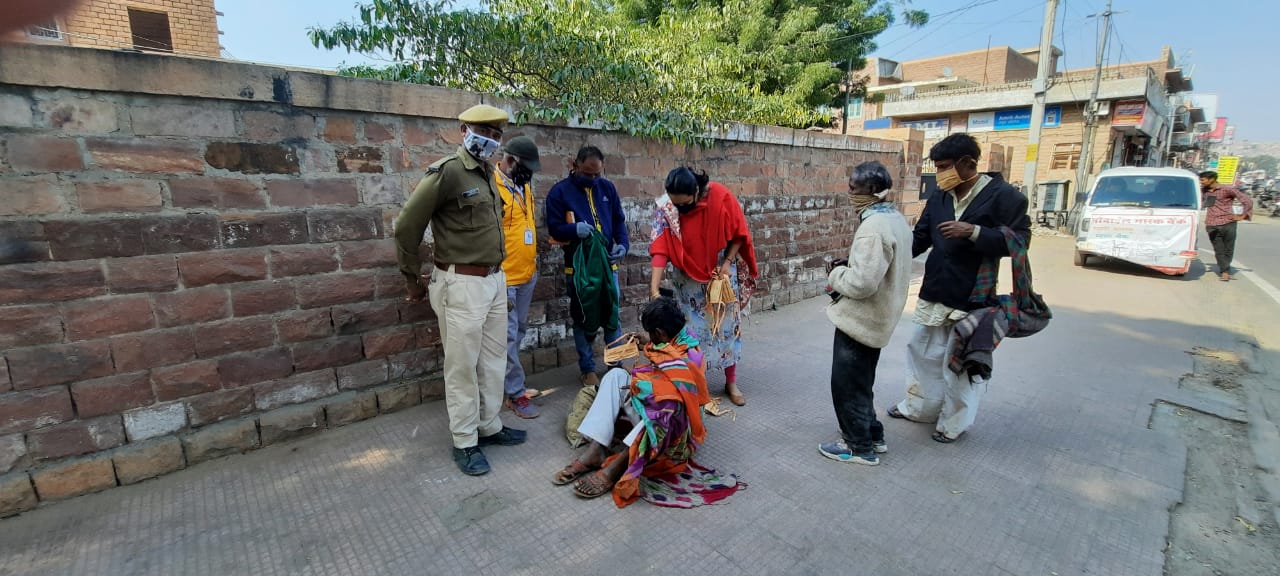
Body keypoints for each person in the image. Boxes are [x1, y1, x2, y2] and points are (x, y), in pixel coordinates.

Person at [394, 104, 527, 476]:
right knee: (462, 367)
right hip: (461, 284)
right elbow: (406, 225)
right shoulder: (448, 173)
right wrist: (411, 278)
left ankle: (489, 425)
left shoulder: (488, 174)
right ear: (464, 130)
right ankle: (465, 440)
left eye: (498, 134)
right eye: (484, 131)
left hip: (493, 281)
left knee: (493, 360)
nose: (491, 139)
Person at [888, 133, 1031, 443]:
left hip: (972, 295)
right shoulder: (939, 196)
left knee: (960, 364)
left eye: (945, 166)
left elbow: (1020, 242)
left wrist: (975, 232)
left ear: (968, 163)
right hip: (936, 288)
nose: (940, 174)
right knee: (922, 351)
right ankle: (919, 407)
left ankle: (952, 423)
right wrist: (887, 256)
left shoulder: (1005, 197)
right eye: (937, 167)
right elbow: (921, 238)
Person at [550, 292, 745, 508]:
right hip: (651, 404)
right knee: (615, 375)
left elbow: (667, 396)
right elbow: (660, 363)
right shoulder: (674, 338)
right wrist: (645, 353)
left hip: (673, 428)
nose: (648, 338)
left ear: (660, 333)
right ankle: (596, 448)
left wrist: (640, 384)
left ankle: (618, 465)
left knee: (662, 410)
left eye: (651, 334)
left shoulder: (691, 356)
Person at [819, 161, 913, 466]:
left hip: (861, 320)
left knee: (846, 384)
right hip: (879, 317)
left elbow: (861, 284)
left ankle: (858, 447)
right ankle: (872, 434)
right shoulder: (894, 219)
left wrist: (836, 275)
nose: (849, 192)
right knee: (861, 382)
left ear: (871, 190)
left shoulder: (873, 228)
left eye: (853, 187)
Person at [648, 168, 758, 406]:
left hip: (720, 272)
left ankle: (731, 382)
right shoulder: (667, 209)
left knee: (726, 327)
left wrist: (728, 263)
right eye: (677, 205)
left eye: (686, 205)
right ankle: (697, 383)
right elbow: (659, 248)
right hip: (686, 279)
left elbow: (739, 233)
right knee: (691, 333)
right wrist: (654, 289)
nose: (682, 210)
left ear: (697, 190)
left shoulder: (720, 196)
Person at [545, 146, 630, 387]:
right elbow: (553, 228)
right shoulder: (560, 193)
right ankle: (587, 368)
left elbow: (619, 222)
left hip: (608, 267)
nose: (593, 179)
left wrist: (622, 245)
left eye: (597, 174)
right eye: (587, 173)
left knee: (612, 316)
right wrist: (574, 230)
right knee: (584, 319)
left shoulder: (607, 189)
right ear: (575, 164)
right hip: (579, 270)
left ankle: (616, 366)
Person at [495, 136, 543, 419]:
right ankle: (514, 394)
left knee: (519, 331)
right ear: (510, 160)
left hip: (526, 274)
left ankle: (514, 385)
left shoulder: (524, 187)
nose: (530, 174)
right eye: (526, 167)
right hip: (505, 277)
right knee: (508, 337)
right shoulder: (492, 186)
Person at [1199, 171, 1253, 281]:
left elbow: (1247, 200)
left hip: (1228, 222)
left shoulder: (1227, 189)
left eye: (1203, 180)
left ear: (1212, 179)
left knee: (1228, 248)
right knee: (1219, 249)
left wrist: (1242, 216)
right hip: (1212, 223)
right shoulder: (1203, 191)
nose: (1201, 182)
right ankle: (1225, 271)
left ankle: (1225, 271)